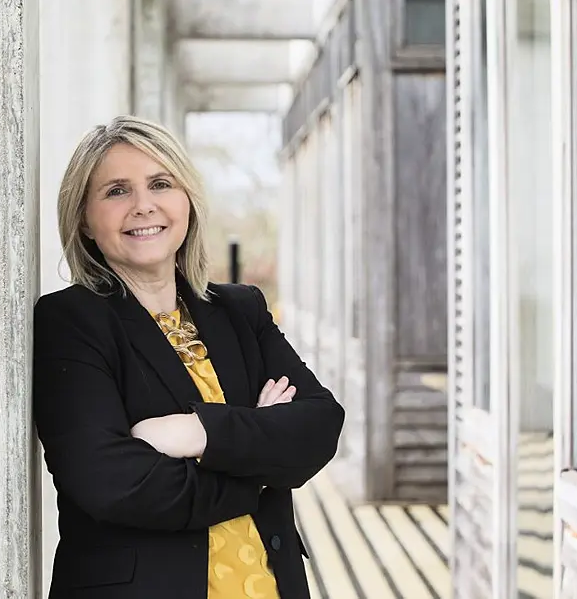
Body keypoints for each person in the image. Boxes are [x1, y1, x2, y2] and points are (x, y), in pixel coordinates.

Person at [32, 115, 345, 599]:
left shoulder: (241, 309)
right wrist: (258, 466)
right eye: (116, 191)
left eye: (160, 183)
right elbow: (116, 484)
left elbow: (319, 425)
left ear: (187, 203)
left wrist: (197, 433)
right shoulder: (70, 321)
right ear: (84, 221)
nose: (143, 205)